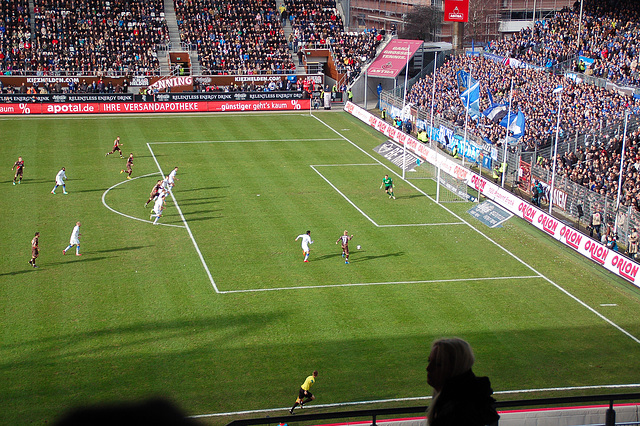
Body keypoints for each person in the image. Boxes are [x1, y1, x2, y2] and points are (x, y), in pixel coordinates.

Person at [426, 338, 499, 426]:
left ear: (454, 368)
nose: (428, 368)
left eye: (438, 364)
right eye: (429, 361)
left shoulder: (457, 411)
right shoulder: (472, 400)